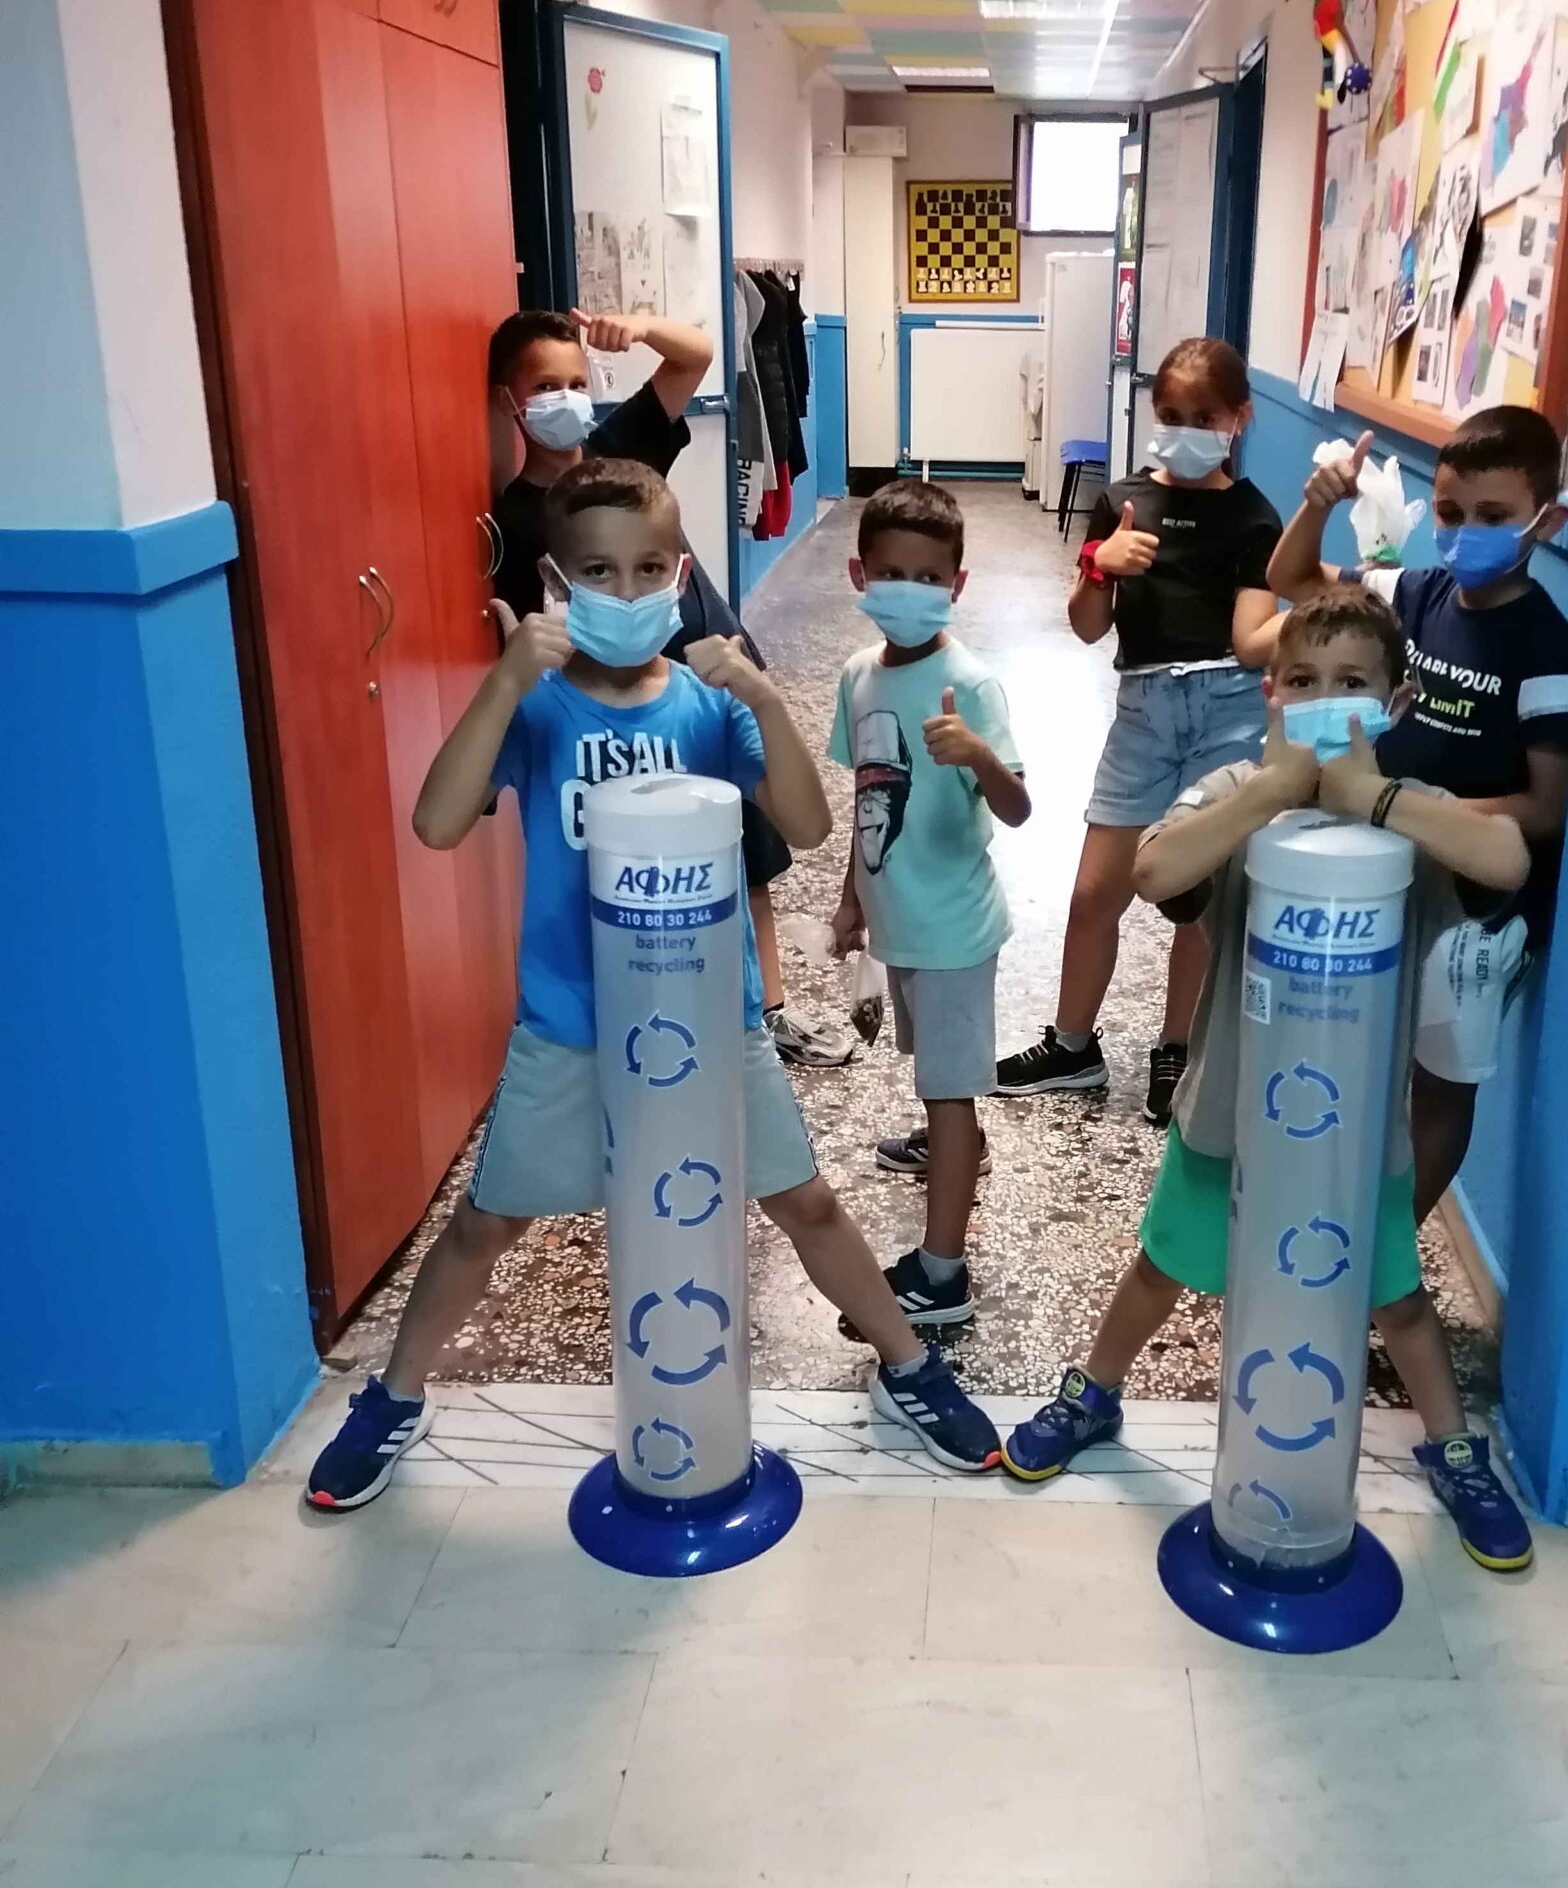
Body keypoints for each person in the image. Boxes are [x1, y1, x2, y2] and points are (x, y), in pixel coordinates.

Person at [305, 460, 1003, 1509]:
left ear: (680, 574)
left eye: (648, 568)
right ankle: (394, 1397)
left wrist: (760, 694)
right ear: (557, 581)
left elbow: (810, 825)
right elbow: (439, 822)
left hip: (714, 1022)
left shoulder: (704, 706)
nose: (626, 592)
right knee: (486, 1224)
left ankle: (907, 1366)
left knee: (806, 1202)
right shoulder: (538, 710)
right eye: (599, 571)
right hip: (571, 1023)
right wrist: (501, 682)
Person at [1002, 584, 1534, 1572]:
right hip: (1227, 1118)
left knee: (1397, 1299)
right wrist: (1270, 792)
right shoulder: (1236, 793)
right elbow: (1154, 872)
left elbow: (1506, 860)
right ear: (1271, 692)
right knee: (1162, 1265)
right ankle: (1094, 1393)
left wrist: (1370, 795)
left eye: (1351, 683)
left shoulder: (1409, 817)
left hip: (1353, 1145)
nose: (1325, 700)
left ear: (1396, 700)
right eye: (1304, 680)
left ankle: (1453, 1451)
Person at [487, 304, 846, 1069]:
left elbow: (696, 355)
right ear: (507, 401)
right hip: (613, 707)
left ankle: (765, 1009)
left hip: (704, 674)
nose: (565, 398)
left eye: (576, 381)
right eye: (544, 386)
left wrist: (638, 328)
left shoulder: (620, 453)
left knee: (746, 841)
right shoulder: (516, 519)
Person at [1266, 403, 1568, 1218]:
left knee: (1440, 1087)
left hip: (1480, 909)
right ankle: (1344, 1215)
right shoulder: (1414, 592)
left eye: (1494, 517)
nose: (1466, 532)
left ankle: (1386, 1248)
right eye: (1449, 512)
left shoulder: (1548, 647)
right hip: (1389, 877)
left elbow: (1547, 807)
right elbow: (1292, 583)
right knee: (1372, 1053)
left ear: (1546, 522)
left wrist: (1404, 809)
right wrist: (1317, 505)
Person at [994, 337, 1284, 1124]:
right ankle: (1072, 1046)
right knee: (1096, 891)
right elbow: (1088, 626)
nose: (1185, 431)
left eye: (1204, 417)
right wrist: (1102, 564)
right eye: (1171, 415)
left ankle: (1177, 1049)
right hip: (1144, 713)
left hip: (1227, 710)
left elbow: (1252, 638)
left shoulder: (1256, 517)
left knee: (1199, 896)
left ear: (1240, 417)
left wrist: (1322, 614)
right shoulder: (1122, 502)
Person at [828, 481, 1029, 1330]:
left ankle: (943, 1273)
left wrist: (979, 756)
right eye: (891, 573)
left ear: (958, 584)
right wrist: (851, 902)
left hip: (953, 931)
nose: (909, 590)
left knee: (948, 1092)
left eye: (929, 577)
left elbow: (1018, 809)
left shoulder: (970, 684)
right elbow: (866, 798)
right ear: (859, 575)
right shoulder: (856, 676)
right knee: (936, 1083)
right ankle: (954, 1147)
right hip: (902, 925)